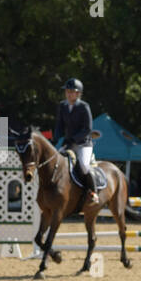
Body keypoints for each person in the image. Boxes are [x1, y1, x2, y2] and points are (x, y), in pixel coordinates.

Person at [55, 77, 97, 206]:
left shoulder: (84, 107)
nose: (68, 93)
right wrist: (54, 139)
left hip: (83, 143)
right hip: (68, 143)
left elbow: (88, 129)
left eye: (71, 91)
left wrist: (73, 139)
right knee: (55, 163)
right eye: (67, 91)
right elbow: (59, 126)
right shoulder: (62, 106)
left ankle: (93, 193)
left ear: (78, 93)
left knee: (84, 166)